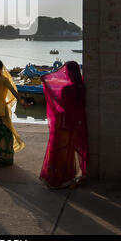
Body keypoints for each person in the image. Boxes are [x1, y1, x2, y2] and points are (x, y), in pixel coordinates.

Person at [40, 61, 89, 189]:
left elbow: (60, 103)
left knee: (59, 151)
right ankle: (69, 176)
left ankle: (59, 178)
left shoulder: (67, 89)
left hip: (64, 123)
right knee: (69, 152)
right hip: (75, 124)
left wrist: (45, 81)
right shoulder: (81, 88)